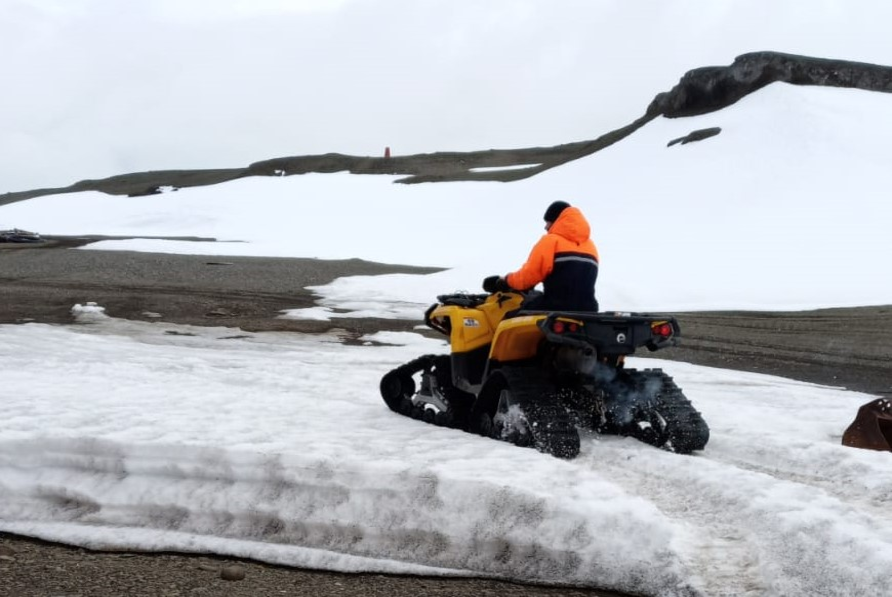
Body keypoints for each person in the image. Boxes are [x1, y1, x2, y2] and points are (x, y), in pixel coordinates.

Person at [483, 200, 599, 311]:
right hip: (588, 309)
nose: (546, 227)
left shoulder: (551, 241)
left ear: (556, 220)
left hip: (554, 306)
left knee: (507, 320)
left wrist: (505, 281)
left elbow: (528, 277)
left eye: (547, 222)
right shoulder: (591, 246)